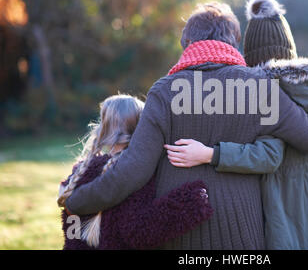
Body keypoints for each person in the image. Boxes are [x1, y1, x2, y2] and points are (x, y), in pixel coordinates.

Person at [64, 2, 308, 249]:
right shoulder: (260, 88)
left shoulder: (165, 91)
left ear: (187, 44)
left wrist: (77, 200)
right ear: (233, 42)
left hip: (177, 232)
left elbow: (132, 170)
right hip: (242, 235)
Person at [166, 0, 308, 250]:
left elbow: (268, 155)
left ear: (250, 56)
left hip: (286, 217)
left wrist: (210, 154)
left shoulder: (263, 94)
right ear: (290, 48)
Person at [58, 94, 213, 249]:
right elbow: (139, 232)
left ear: (102, 129)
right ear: (143, 130)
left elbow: (72, 231)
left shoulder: (79, 173)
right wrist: (190, 201)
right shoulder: (136, 172)